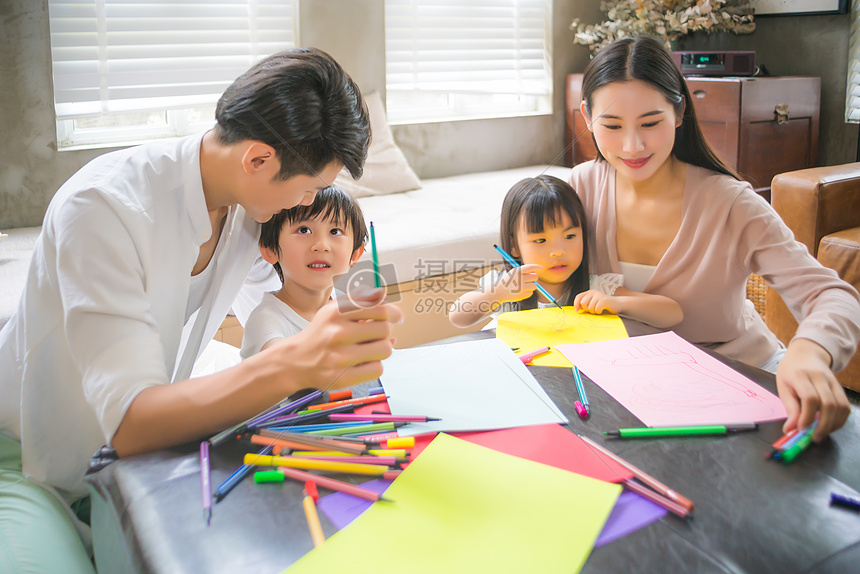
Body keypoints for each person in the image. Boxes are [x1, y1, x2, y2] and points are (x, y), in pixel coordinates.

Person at [0, 48, 402, 573]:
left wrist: (345, 321)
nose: (300, 205)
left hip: (131, 460)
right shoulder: (102, 208)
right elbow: (130, 422)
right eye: (304, 191)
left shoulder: (244, 204)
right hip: (25, 455)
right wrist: (295, 361)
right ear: (258, 159)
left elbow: (282, 297)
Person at [571, 36, 860, 442]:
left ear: (679, 112)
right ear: (587, 116)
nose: (632, 145)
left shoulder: (729, 202)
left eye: (650, 123)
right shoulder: (581, 188)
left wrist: (810, 351)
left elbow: (833, 294)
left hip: (742, 385)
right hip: (636, 392)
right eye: (612, 126)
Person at [448, 174, 683, 328]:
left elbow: (672, 313)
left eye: (570, 236)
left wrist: (616, 303)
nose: (558, 252)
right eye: (540, 240)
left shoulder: (596, 288)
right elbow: (458, 317)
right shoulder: (507, 286)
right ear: (513, 246)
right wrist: (496, 295)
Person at [241, 185, 368, 358]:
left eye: (335, 231)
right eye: (304, 230)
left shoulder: (347, 306)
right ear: (270, 250)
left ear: (355, 254)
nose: (321, 245)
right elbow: (281, 361)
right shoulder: (266, 320)